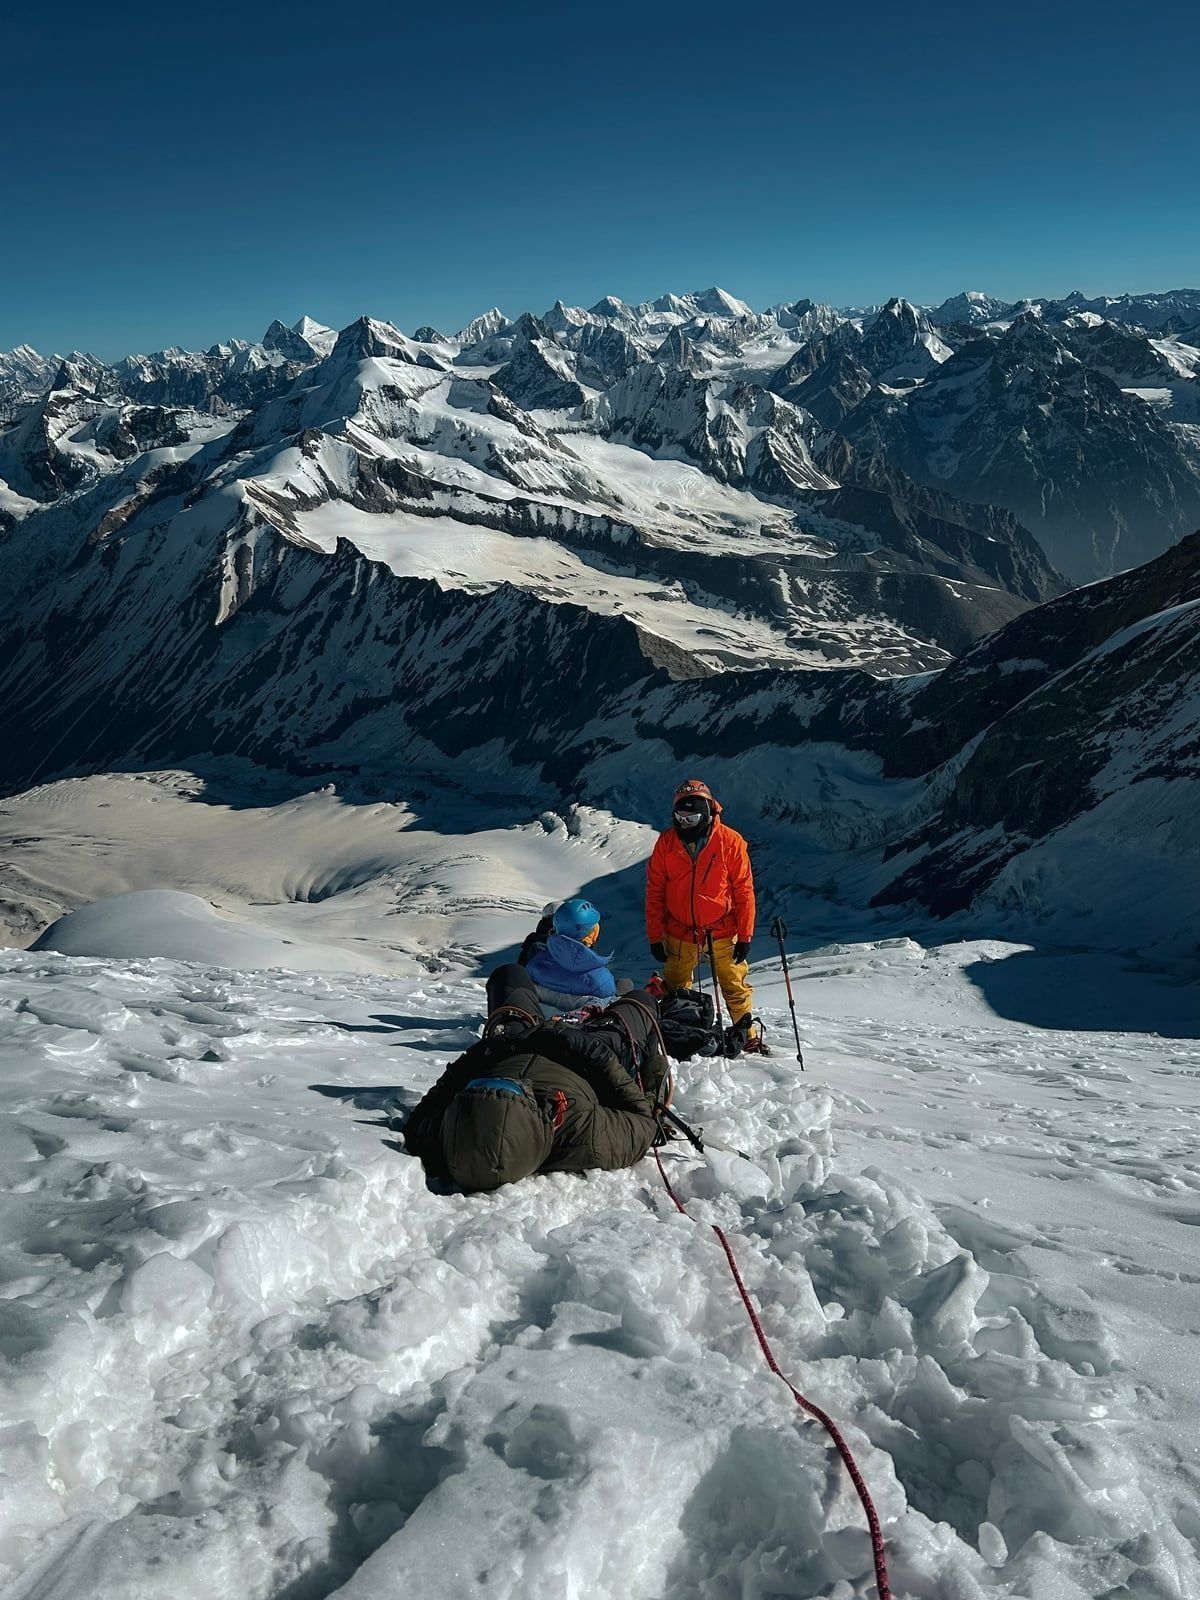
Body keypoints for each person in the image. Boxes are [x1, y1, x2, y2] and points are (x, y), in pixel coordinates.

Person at [403, 964, 669, 1192]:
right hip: (590, 1059)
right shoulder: (584, 1136)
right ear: (546, 1118)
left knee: (508, 975)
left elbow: (428, 1108)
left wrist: (490, 1050)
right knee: (640, 1002)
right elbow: (643, 1121)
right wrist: (591, 1052)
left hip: (511, 1046)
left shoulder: (443, 1139)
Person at [645, 778, 762, 1050]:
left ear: (708, 812)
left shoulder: (730, 842)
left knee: (733, 984)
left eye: (692, 817)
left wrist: (745, 934)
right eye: (680, 817)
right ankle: (678, 1032)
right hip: (679, 928)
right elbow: (655, 890)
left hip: (722, 928)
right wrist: (654, 934)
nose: (685, 823)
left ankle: (748, 1037)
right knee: (675, 985)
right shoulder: (666, 842)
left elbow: (744, 891)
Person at [523, 896, 618, 1012]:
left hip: (537, 1019)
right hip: (579, 1027)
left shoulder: (534, 964)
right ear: (592, 934)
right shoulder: (601, 979)